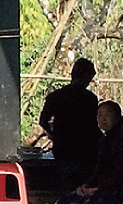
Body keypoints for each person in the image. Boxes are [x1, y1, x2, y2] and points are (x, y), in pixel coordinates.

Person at [39, 59, 101, 194]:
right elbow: (94, 125)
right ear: (87, 77)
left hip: (63, 148)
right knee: (83, 185)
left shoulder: (56, 96)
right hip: (87, 149)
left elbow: (43, 121)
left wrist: (54, 135)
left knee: (65, 185)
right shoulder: (90, 99)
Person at [54, 100, 123, 204]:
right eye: (99, 115)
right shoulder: (104, 141)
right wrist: (86, 186)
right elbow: (99, 170)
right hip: (102, 189)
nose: (103, 119)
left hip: (120, 193)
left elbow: (120, 174)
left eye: (107, 115)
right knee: (62, 202)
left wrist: (96, 189)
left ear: (118, 117)